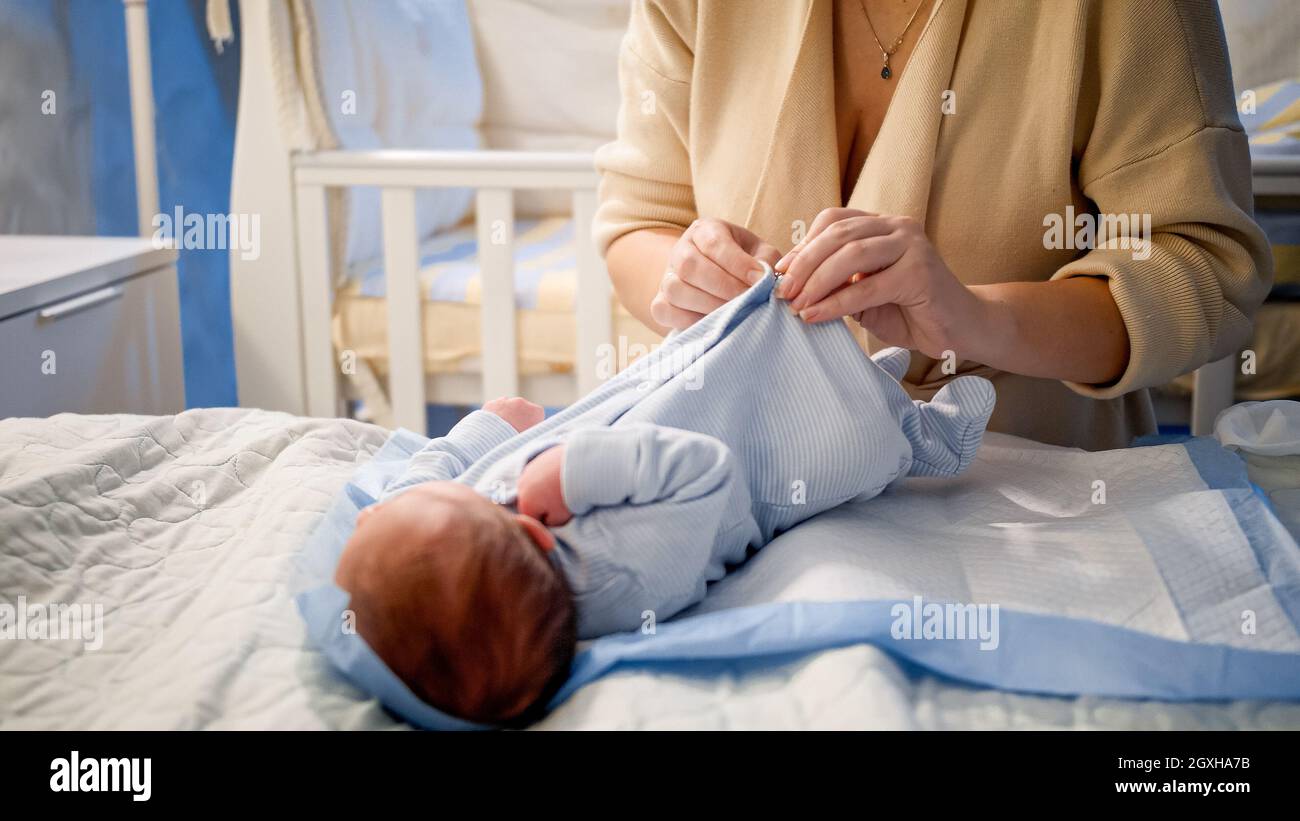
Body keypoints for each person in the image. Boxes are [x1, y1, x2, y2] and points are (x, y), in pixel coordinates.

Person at [595, 0, 1272, 449]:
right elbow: (638, 221)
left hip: (1033, 492)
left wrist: (977, 318)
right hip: (752, 475)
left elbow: (1203, 263)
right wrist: (688, 275)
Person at [333, 272, 996, 724]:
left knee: (761, 344)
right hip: (776, 448)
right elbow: (708, 475)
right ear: (536, 536)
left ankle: (879, 378)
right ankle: (936, 432)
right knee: (863, 433)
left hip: (698, 386)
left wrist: (484, 429)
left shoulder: (468, 542)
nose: (375, 511)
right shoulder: (625, 579)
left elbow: (427, 488)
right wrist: (574, 471)